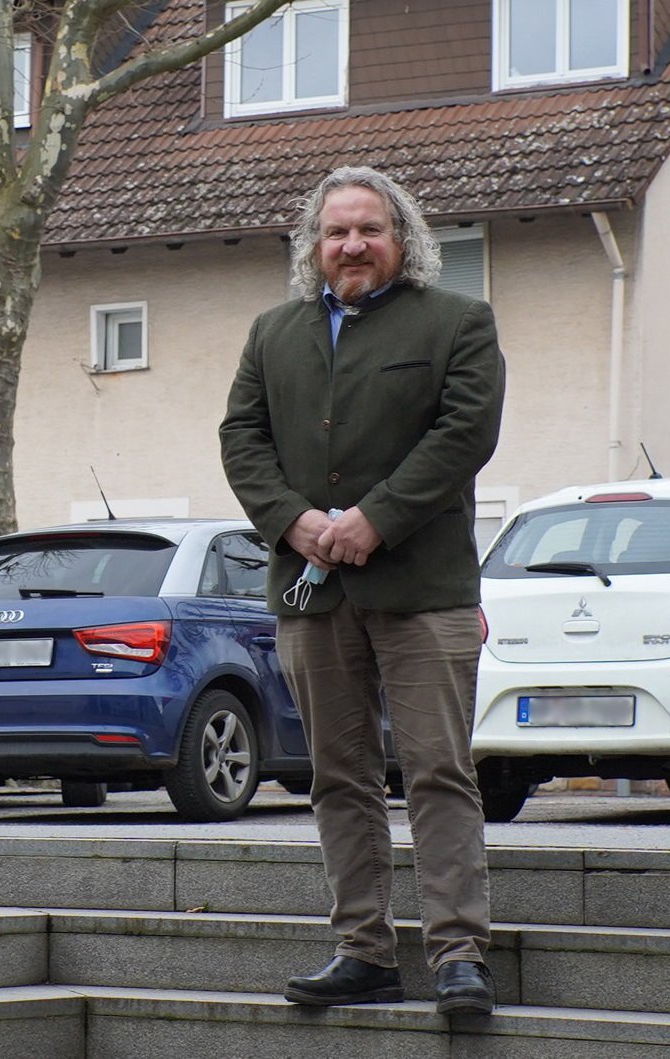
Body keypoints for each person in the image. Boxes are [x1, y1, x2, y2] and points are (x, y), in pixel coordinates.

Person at [218, 166, 505, 1016]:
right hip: (311, 595)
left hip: (423, 588)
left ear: (400, 239)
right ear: (315, 245)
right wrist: (292, 522)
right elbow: (242, 437)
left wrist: (374, 519)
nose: (351, 245)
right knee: (338, 776)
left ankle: (458, 952)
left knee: (438, 771)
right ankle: (362, 950)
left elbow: (465, 435)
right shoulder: (272, 332)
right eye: (336, 232)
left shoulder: (457, 320)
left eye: (368, 230)